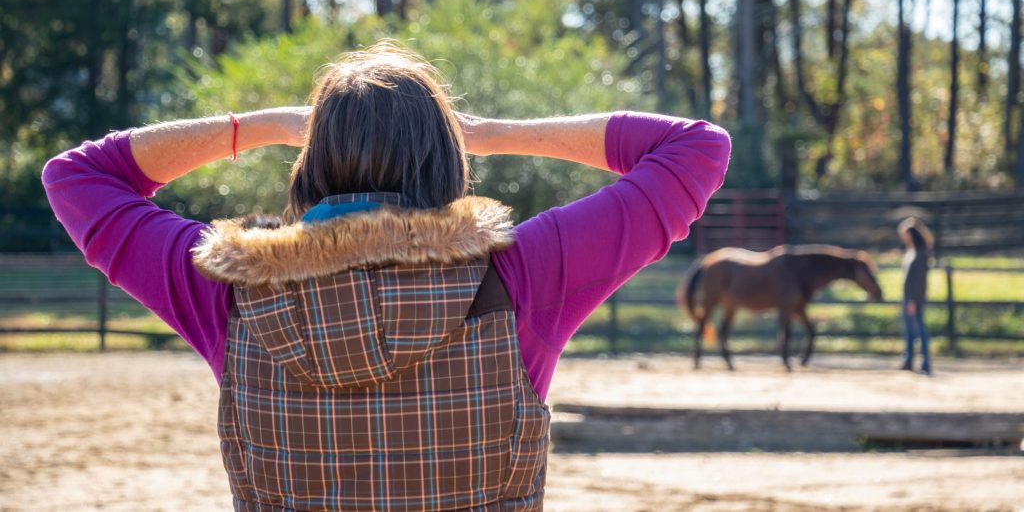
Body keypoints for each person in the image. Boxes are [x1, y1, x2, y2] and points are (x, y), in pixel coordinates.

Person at [42, 40, 731, 511]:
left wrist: (257, 127)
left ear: (309, 162)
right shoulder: (524, 272)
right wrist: (490, 130)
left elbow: (77, 178)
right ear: (448, 160)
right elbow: (695, 149)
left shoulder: (223, 285)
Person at [898, 216, 934, 375]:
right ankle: (909, 359)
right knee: (909, 331)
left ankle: (926, 362)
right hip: (908, 297)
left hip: (914, 298)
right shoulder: (912, 252)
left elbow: (919, 281)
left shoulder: (921, 254)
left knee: (920, 331)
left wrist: (913, 300)